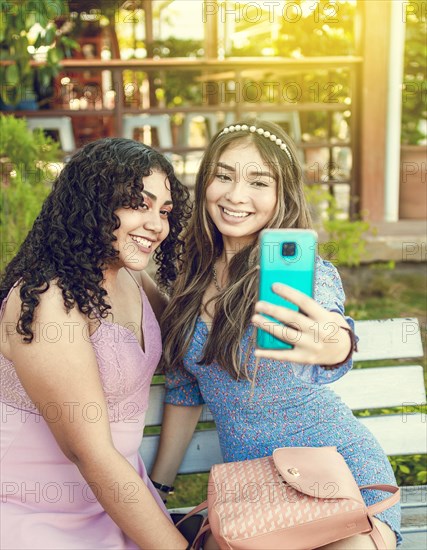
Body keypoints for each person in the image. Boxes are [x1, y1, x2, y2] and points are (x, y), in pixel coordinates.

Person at [150, 121, 401, 549]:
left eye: (258, 181)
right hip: (253, 492)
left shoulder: (302, 275)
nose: (235, 195)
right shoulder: (187, 280)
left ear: (282, 193)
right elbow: (185, 390)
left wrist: (334, 344)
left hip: (341, 474)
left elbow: (333, 331)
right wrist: (159, 489)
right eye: (223, 175)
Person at [0, 138, 191, 549]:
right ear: (92, 203)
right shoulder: (47, 299)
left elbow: (188, 340)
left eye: (165, 211)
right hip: (40, 512)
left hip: (120, 493)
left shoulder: (130, 277)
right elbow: (90, 454)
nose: (157, 225)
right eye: (139, 204)